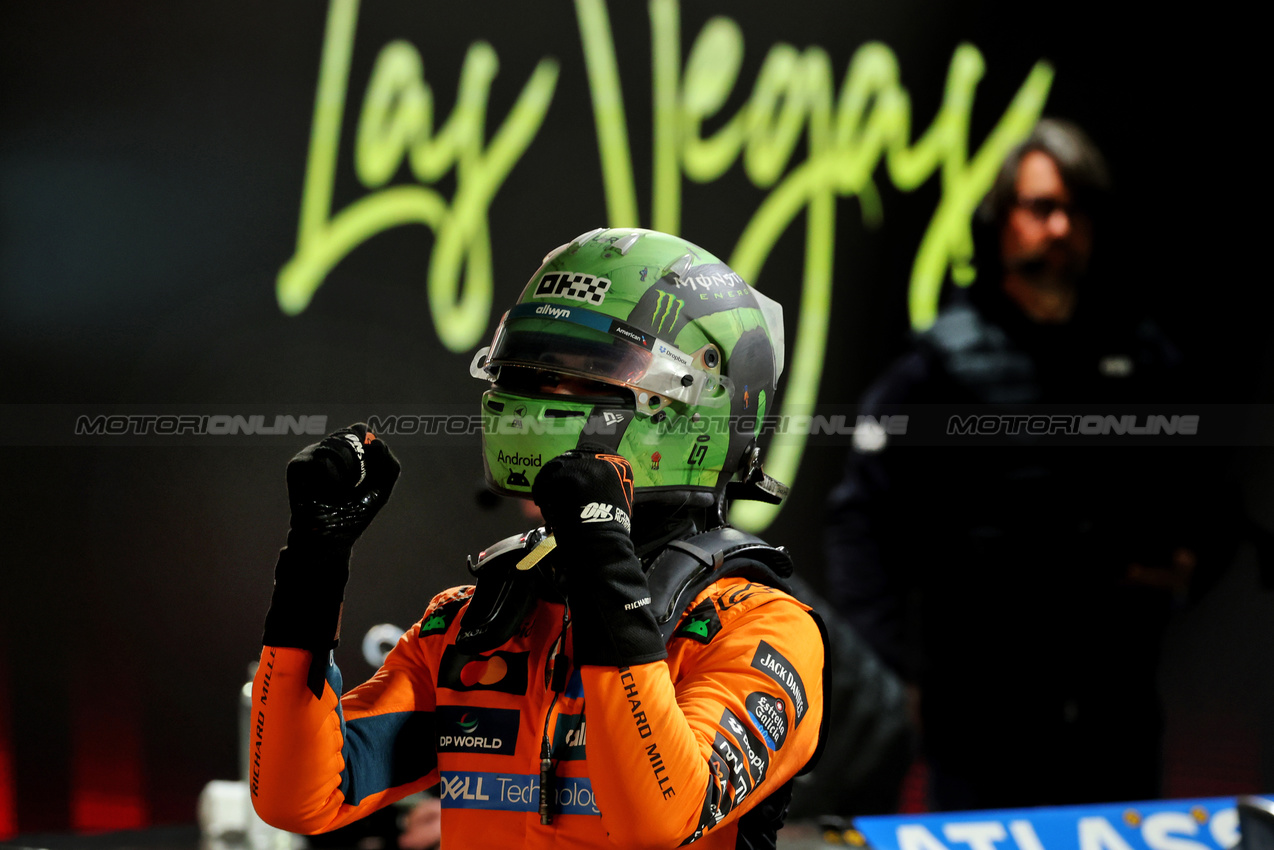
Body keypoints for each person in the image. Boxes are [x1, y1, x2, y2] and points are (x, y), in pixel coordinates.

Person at [250, 228, 827, 848]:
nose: (537, 406)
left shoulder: (760, 631)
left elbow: (662, 819)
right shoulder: (476, 623)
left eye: (586, 380)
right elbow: (299, 796)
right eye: (527, 374)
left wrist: (603, 556)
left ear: (693, 407)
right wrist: (314, 564)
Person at [825, 119, 1226, 810]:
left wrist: (1188, 568)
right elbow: (862, 523)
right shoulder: (939, 367)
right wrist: (891, 676)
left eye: (1077, 210)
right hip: (984, 714)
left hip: (1115, 708)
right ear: (1000, 221)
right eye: (1041, 207)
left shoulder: (1143, 359)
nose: (1060, 228)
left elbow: (1212, 494)